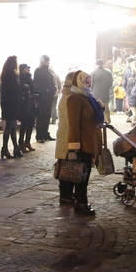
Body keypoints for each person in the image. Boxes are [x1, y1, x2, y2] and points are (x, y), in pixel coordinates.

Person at [66, 71, 106, 216]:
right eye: (86, 80)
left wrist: (101, 108)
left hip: (91, 141)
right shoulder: (75, 99)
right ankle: (81, 204)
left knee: (85, 174)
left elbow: (95, 118)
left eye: (90, 80)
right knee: (81, 176)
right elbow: (73, 125)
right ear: (79, 81)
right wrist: (74, 146)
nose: (89, 83)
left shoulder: (88, 97)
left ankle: (81, 202)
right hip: (82, 143)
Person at [55, 71, 78, 206]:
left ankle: (66, 195)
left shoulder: (66, 96)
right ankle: (66, 196)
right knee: (68, 168)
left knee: (65, 165)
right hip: (68, 136)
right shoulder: (70, 98)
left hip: (64, 136)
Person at [0, 56, 22, 159]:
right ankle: (5, 149)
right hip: (12, 104)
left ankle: (15, 148)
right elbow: (16, 91)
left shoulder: (4, 75)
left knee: (11, 127)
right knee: (9, 127)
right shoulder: (13, 75)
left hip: (6, 104)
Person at [33, 55, 57, 143]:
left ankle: (45, 134)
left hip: (49, 97)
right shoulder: (38, 71)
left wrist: (53, 89)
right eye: (46, 61)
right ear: (42, 61)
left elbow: (51, 82)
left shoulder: (49, 71)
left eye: (48, 61)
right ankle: (39, 135)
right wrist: (45, 91)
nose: (48, 62)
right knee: (41, 116)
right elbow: (36, 84)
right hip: (42, 97)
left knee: (47, 116)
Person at [18, 63, 37, 153]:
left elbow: (33, 89)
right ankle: (21, 143)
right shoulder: (20, 79)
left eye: (29, 68)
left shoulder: (30, 78)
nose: (28, 70)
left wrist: (34, 94)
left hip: (31, 103)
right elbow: (19, 90)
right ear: (22, 69)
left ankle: (27, 142)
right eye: (26, 68)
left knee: (31, 124)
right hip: (24, 105)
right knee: (24, 125)